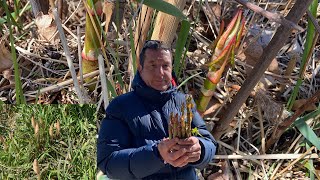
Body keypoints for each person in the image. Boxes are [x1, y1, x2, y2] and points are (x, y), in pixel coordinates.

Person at [97, 40, 217, 180]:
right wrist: (157, 154)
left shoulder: (184, 102)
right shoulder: (121, 107)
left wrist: (200, 150)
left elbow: (210, 143)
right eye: (152, 66)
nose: (160, 73)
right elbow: (109, 163)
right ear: (140, 68)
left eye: (165, 66)